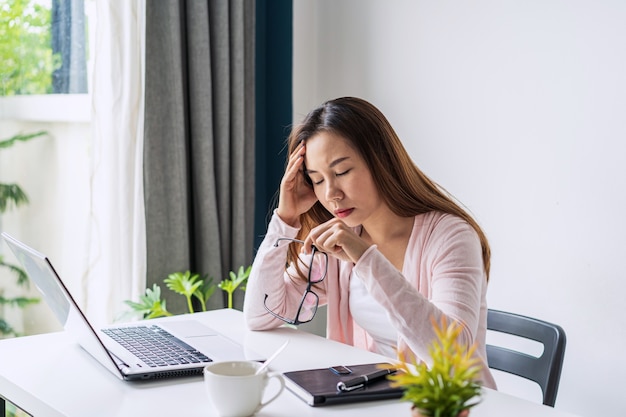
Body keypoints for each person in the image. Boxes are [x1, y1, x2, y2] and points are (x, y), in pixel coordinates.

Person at [243, 97, 496, 388]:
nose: (332, 194)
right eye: (317, 180)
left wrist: (366, 260)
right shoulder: (338, 243)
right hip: (375, 402)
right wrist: (285, 218)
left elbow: (452, 356)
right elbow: (260, 316)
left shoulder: (450, 236)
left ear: (381, 160)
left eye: (341, 172)